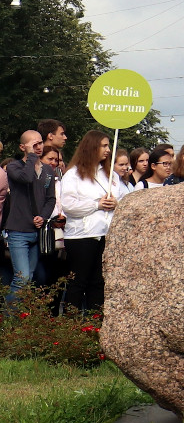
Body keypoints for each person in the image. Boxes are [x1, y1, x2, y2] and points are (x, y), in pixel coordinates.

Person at [54, 131, 118, 315]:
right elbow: (69, 205)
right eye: (104, 146)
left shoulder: (110, 174)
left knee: (98, 282)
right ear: (92, 147)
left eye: (108, 146)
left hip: (105, 234)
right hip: (82, 235)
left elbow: (122, 197)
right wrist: (96, 204)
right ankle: (71, 325)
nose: (108, 150)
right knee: (78, 282)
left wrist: (116, 203)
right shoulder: (73, 175)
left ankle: (94, 324)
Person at [4, 130, 50, 299]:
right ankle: (7, 320)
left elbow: (51, 199)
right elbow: (26, 178)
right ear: (23, 147)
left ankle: (19, 319)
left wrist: (42, 216)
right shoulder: (14, 167)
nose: (38, 147)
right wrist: (31, 156)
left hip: (36, 232)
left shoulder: (48, 171)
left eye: (40, 143)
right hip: (18, 231)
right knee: (21, 279)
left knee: (29, 279)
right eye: (33, 144)